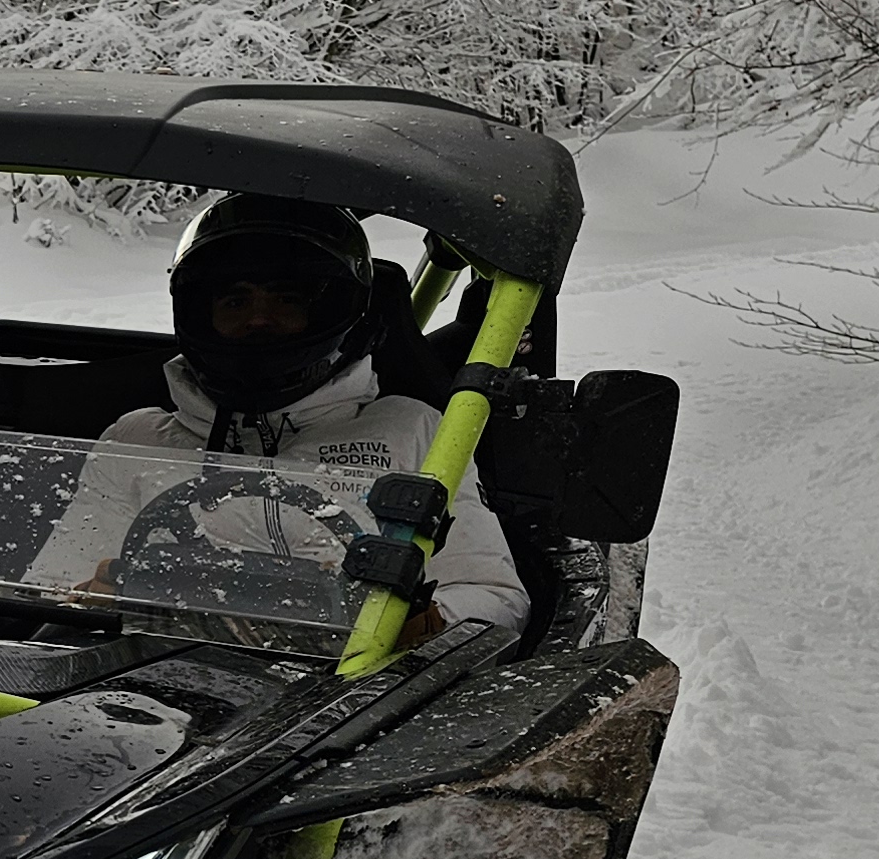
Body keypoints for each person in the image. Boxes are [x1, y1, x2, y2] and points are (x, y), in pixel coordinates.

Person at [46, 194, 526, 646]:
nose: (259, 319)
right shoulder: (137, 439)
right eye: (236, 302)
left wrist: (425, 623)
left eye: (286, 300)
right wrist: (96, 599)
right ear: (199, 313)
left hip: (355, 690)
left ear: (331, 310)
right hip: (152, 680)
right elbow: (49, 592)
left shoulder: (413, 429)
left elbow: (498, 600)